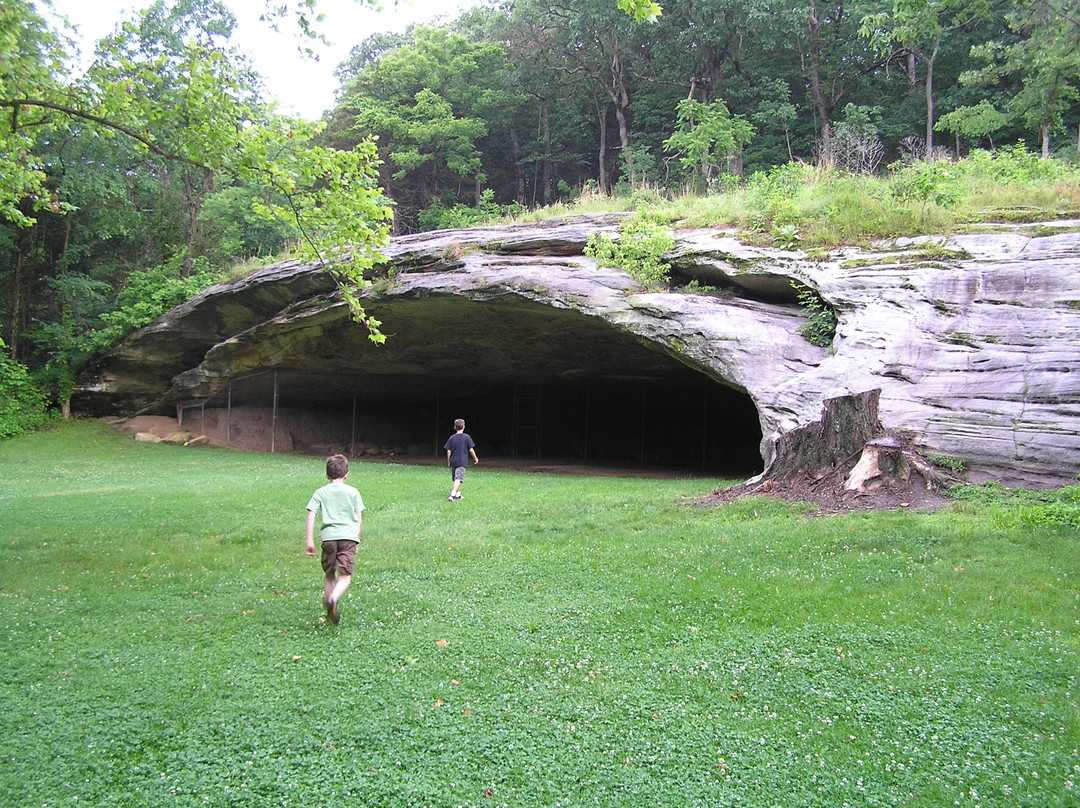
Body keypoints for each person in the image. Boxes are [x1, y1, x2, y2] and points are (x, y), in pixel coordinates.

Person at [305, 453, 364, 624]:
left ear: (326, 475)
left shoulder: (320, 492)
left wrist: (309, 541)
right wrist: (357, 538)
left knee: (329, 574)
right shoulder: (353, 492)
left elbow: (311, 514)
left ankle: (329, 598)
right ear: (347, 474)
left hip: (329, 538)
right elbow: (358, 518)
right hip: (348, 537)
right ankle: (333, 599)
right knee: (345, 575)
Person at [444, 418, 479, 501]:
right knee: (458, 478)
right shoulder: (467, 437)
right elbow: (471, 449)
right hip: (461, 461)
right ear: (464, 427)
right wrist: (475, 458)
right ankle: (452, 495)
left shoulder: (452, 438)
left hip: (453, 461)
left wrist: (449, 461)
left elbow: (448, 450)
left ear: (454, 427)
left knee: (456, 478)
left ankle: (458, 494)